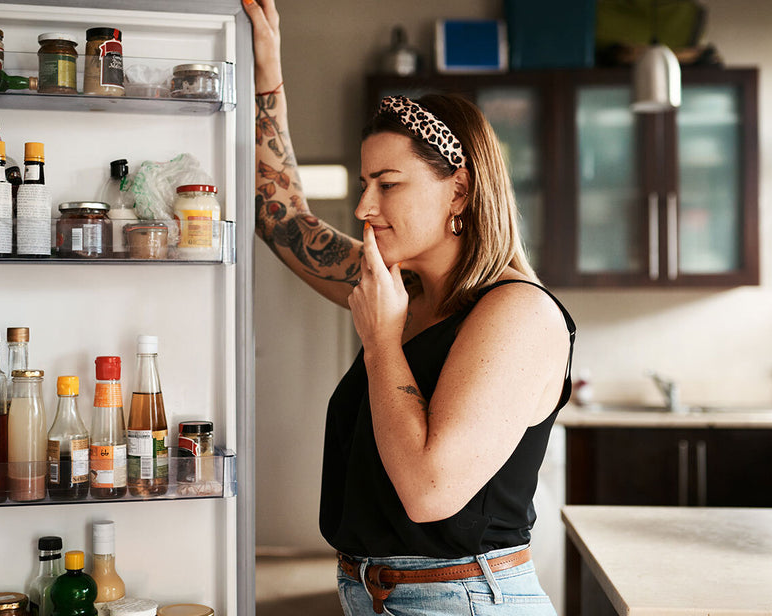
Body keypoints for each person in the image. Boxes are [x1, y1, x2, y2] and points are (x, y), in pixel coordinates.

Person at [243, 1, 576, 614]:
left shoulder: (517, 314)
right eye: (365, 183)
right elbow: (284, 219)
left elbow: (429, 491)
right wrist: (266, 72)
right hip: (376, 595)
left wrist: (381, 342)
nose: (365, 207)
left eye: (388, 184)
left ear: (462, 188)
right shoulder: (401, 289)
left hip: (463, 600)